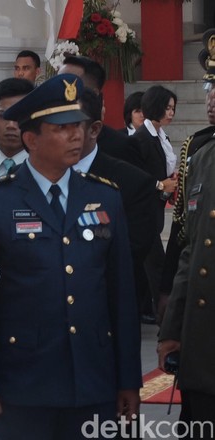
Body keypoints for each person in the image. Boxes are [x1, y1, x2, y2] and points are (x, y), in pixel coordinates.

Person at [0, 74, 141, 440]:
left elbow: (121, 294)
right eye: (62, 127)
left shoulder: (105, 197)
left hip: (93, 379)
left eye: (79, 125)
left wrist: (128, 379)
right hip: (23, 384)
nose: (76, 135)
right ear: (31, 139)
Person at [158, 32, 215, 437]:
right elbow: (190, 252)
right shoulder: (202, 156)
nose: (210, 97)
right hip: (202, 348)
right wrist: (171, 331)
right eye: (210, 86)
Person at [75, 88, 158, 318]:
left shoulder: (130, 182)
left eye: (72, 126)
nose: (63, 135)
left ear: (94, 129)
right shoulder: (39, 178)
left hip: (104, 308)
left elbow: (133, 249)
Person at [132, 85, 179, 323]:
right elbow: (135, 177)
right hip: (143, 212)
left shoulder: (162, 136)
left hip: (156, 209)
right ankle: (163, 313)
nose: (171, 113)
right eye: (167, 108)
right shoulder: (141, 138)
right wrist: (161, 185)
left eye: (173, 108)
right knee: (156, 265)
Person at [59, 56, 145, 170]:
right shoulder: (44, 138)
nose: (58, 90)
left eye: (67, 85)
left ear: (93, 93)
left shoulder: (122, 147)